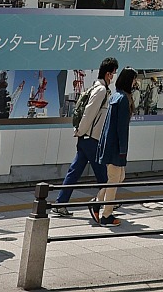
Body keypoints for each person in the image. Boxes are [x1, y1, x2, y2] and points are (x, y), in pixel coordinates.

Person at [55, 58, 118, 211]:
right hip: (91, 139)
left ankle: (60, 204)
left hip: (86, 138)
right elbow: (89, 113)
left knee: (75, 171)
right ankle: (108, 202)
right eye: (114, 73)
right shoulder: (101, 90)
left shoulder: (98, 88)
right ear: (108, 74)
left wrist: (81, 133)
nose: (114, 76)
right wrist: (80, 131)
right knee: (103, 174)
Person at [91, 66, 136, 225]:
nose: (135, 82)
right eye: (134, 79)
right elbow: (121, 128)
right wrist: (123, 150)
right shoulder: (123, 99)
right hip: (116, 146)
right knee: (115, 179)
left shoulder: (116, 95)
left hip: (109, 144)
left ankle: (97, 202)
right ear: (129, 80)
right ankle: (106, 215)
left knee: (118, 177)